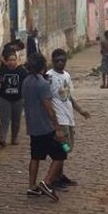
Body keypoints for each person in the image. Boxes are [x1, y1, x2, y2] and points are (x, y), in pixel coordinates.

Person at [21, 52, 66, 203]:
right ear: (42, 66)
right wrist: (58, 127)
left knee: (35, 157)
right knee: (61, 154)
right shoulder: (42, 83)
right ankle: (46, 183)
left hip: (32, 127)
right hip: (45, 128)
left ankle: (31, 186)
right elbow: (49, 108)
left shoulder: (26, 81)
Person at [46, 49, 90, 189]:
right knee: (62, 149)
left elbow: (69, 96)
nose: (60, 63)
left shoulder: (67, 76)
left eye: (62, 60)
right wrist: (53, 122)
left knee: (66, 149)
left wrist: (81, 110)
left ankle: (60, 175)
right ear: (52, 61)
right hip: (59, 120)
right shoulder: (49, 77)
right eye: (57, 60)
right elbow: (46, 100)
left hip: (69, 117)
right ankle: (53, 179)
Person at [0, 49, 28, 147]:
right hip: (4, 98)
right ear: (7, 61)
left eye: (14, 59)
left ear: (17, 60)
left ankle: (14, 138)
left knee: (16, 120)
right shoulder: (3, 69)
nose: (12, 62)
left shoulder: (21, 70)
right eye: (10, 60)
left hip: (18, 98)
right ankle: (2, 138)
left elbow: (27, 81)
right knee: (4, 119)